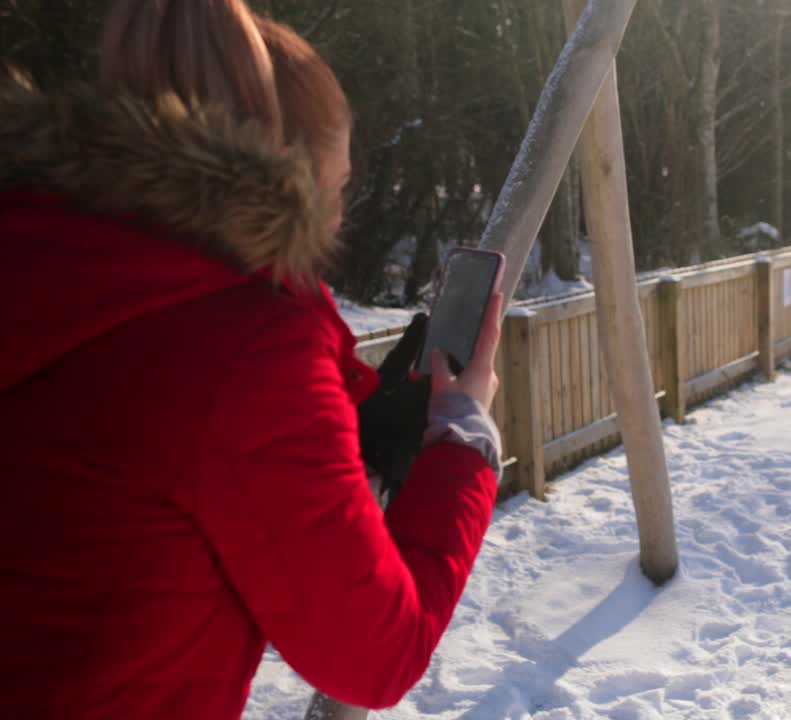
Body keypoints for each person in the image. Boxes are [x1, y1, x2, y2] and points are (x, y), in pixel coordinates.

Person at [0, 2, 502, 718]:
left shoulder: (45, 262)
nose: (339, 214)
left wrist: (338, 438)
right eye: (339, 187)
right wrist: (463, 438)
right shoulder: (245, 351)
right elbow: (377, 654)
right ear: (291, 182)